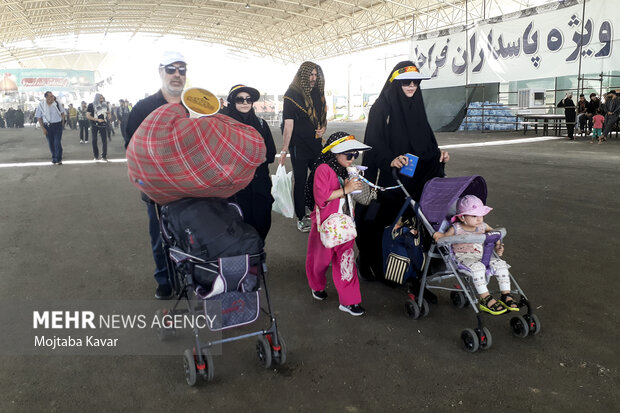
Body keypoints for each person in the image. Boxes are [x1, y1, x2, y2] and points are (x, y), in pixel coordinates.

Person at [355, 61, 449, 283]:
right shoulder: (381, 107)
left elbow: (425, 140)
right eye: (406, 82)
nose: (411, 86)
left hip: (415, 180)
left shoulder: (416, 105)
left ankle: (406, 265)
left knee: (412, 224)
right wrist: (390, 159)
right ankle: (373, 263)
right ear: (395, 82)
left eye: (415, 82)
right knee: (381, 221)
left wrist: (437, 155)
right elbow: (373, 142)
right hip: (389, 179)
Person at [125, 50, 187, 300]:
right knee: (161, 238)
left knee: (191, 236)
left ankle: (191, 278)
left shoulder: (194, 105)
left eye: (182, 69)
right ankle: (164, 279)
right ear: (160, 72)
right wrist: (144, 185)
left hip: (191, 187)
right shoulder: (144, 108)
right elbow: (131, 149)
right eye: (171, 69)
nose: (177, 75)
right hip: (157, 191)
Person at [305, 132, 369, 316]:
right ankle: (316, 285)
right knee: (320, 260)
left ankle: (350, 301)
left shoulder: (346, 169)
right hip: (325, 223)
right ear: (335, 153)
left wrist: (352, 185)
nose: (352, 159)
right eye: (349, 155)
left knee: (346, 259)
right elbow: (322, 197)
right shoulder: (323, 169)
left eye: (355, 155)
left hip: (345, 222)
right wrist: (345, 189)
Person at [433, 195, 518, 315]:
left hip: (481, 256)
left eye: (481, 215)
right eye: (474, 216)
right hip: (464, 258)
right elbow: (444, 239)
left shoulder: (482, 226)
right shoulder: (456, 228)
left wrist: (499, 245)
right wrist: (438, 236)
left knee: (501, 265)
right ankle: (485, 298)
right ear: (462, 217)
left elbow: (496, 233)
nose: (479, 219)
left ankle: (506, 295)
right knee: (478, 268)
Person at [222, 84, 276, 241]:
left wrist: (256, 159)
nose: (245, 103)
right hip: (235, 188)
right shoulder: (224, 124)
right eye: (239, 99)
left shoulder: (261, 124)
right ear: (232, 102)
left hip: (259, 185)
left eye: (248, 99)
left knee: (262, 222)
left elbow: (271, 154)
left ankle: (258, 257)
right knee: (237, 225)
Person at [279, 61, 327, 233]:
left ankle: (315, 209)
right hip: (298, 146)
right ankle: (301, 216)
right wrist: (284, 150)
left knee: (318, 178)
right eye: (310, 75)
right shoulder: (291, 94)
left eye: (315, 75)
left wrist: (323, 128)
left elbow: (322, 117)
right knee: (300, 181)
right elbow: (288, 125)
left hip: (315, 144)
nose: (313, 78)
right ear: (302, 75)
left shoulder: (318, 93)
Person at [35, 91, 65, 165]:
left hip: (57, 125)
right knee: (51, 143)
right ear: (46, 97)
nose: (52, 97)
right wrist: (43, 128)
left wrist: (62, 123)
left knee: (57, 142)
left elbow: (63, 113)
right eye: (50, 96)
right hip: (47, 126)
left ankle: (58, 159)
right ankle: (54, 157)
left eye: (52, 96)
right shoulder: (41, 105)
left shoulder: (57, 104)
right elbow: (39, 117)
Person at [87, 93, 110, 161]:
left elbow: (108, 112)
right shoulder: (91, 105)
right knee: (94, 140)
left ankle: (104, 156)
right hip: (94, 125)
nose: (102, 100)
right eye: (100, 98)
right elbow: (88, 116)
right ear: (96, 98)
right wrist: (97, 119)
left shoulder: (105, 105)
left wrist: (109, 116)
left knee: (104, 141)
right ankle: (96, 156)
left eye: (102, 98)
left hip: (103, 125)